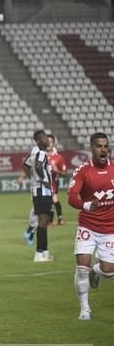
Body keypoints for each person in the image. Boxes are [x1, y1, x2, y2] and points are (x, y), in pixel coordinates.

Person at [69, 132, 114, 321]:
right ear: (91, 148)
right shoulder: (83, 170)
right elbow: (71, 196)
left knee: (109, 271)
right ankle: (85, 309)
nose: (103, 149)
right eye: (99, 146)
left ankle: (97, 271)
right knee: (82, 267)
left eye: (105, 146)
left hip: (110, 228)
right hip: (88, 225)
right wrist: (84, 205)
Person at [22, 130, 54, 261]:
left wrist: (33, 179)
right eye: (45, 138)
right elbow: (38, 166)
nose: (48, 140)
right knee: (42, 221)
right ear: (40, 140)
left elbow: (25, 164)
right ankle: (39, 254)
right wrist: (43, 180)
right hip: (42, 190)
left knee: (44, 221)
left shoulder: (34, 152)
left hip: (37, 190)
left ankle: (45, 252)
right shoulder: (41, 152)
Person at [47, 134, 68, 225]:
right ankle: (54, 220)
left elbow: (64, 174)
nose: (48, 144)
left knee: (53, 199)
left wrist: (57, 171)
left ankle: (57, 219)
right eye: (47, 142)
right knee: (49, 201)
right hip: (42, 183)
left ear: (53, 144)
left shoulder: (58, 158)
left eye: (51, 142)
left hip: (53, 182)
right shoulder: (41, 155)